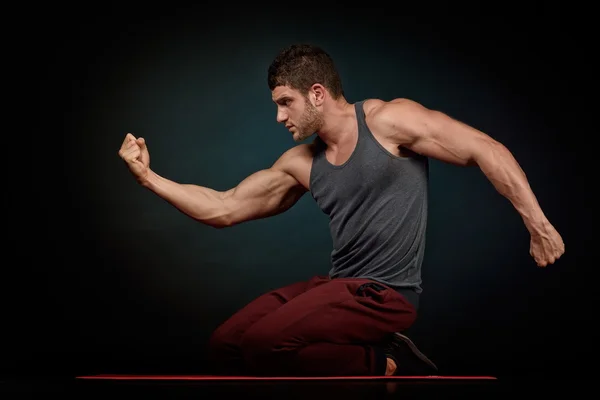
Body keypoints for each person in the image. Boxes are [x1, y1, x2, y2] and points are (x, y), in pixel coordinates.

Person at [118, 43, 565, 377]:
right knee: (226, 347)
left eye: (284, 102)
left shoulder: (389, 123)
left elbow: (485, 149)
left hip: (385, 293)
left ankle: (384, 361)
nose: (278, 117)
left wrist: (538, 225)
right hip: (339, 287)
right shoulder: (300, 163)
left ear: (316, 93)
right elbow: (225, 207)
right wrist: (148, 177)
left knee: (261, 344)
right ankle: (361, 361)